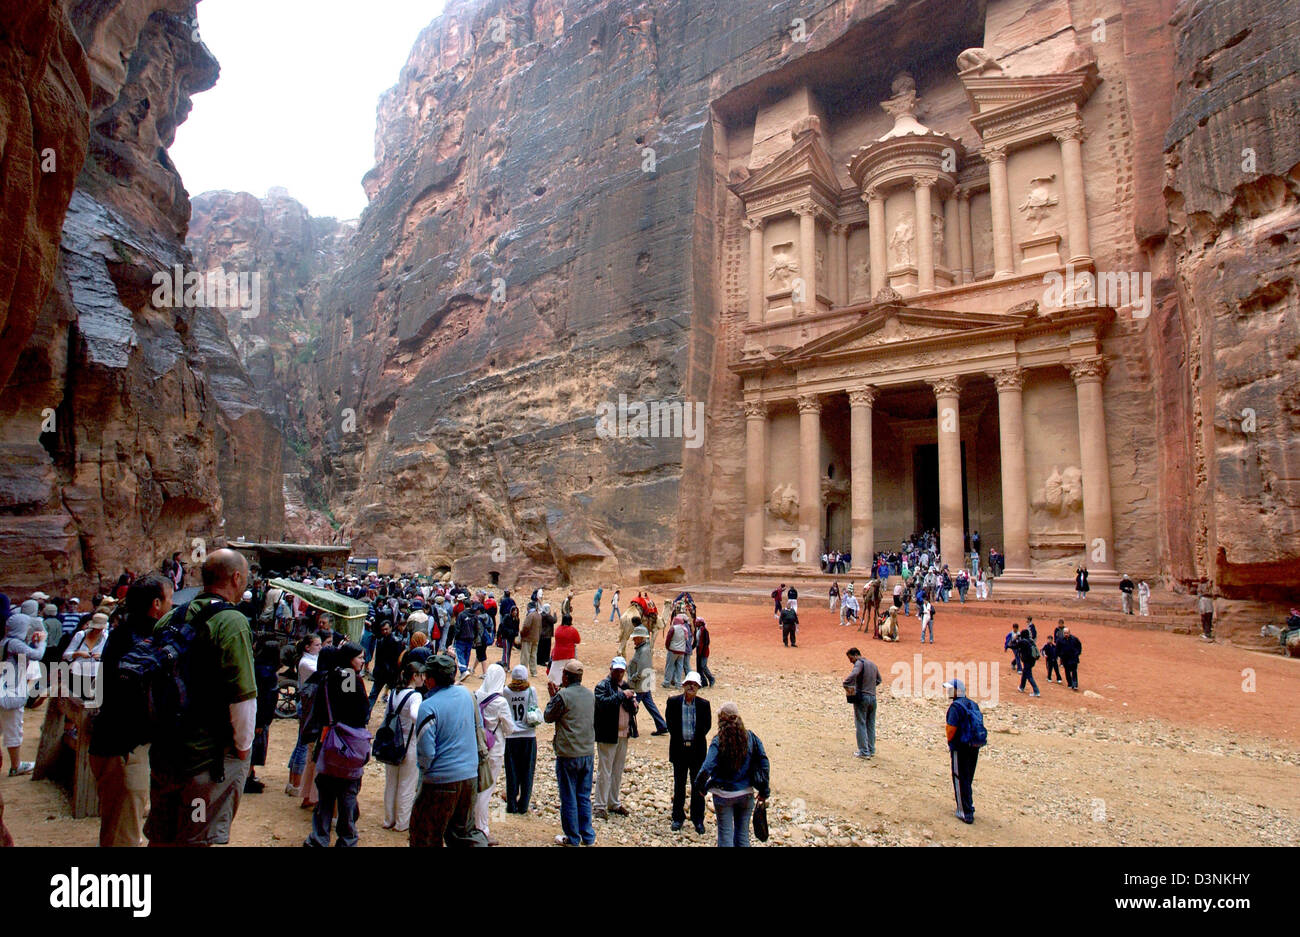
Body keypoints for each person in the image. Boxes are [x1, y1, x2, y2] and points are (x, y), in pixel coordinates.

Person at [144, 549, 256, 846]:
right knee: (197, 836)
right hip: (206, 762)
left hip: (166, 754)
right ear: (236, 578)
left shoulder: (169, 618)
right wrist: (243, 751)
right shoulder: (231, 621)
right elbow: (242, 697)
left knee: (164, 837)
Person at [88, 574, 171, 845]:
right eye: (169, 599)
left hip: (119, 744)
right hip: (125, 747)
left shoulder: (126, 633)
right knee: (121, 834)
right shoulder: (142, 641)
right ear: (156, 604)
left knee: (122, 825)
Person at [411, 654, 487, 847]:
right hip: (469, 777)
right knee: (463, 834)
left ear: (432, 680)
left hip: (440, 781)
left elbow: (426, 753)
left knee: (426, 835)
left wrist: (425, 772)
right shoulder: (466, 695)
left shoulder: (428, 707)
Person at [304, 641, 369, 846]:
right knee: (347, 793)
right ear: (350, 658)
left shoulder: (330, 674)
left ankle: (320, 838)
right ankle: (346, 838)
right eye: (359, 657)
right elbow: (352, 711)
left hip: (328, 741)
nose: (363, 660)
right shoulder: (348, 677)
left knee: (326, 793)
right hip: (345, 743)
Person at [697, 702, 769, 848]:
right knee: (743, 837)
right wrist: (764, 791)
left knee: (725, 836)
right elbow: (764, 762)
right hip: (746, 793)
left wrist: (700, 787)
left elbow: (707, 767)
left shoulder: (718, 740)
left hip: (723, 795)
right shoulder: (751, 737)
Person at [544, 659, 596, 846]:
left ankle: (572, 838)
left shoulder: (563, 695)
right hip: (587, 752)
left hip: (568, 753)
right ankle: (588, 836)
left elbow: (548, 716)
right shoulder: (590, 695)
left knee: (568, 797)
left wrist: (553, 697)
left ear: (566, 676)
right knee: (583, 796)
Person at [382, 661, 424, 834]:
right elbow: (415, 714)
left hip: (392, 742)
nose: (424, 679)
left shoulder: (393, 693)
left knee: (391, 783)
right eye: (422, 675)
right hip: (409, 744)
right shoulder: (415, 696)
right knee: (407, 785)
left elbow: (386, 716)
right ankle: (402, 822)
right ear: (414, 677)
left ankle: (388, 819)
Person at [474, 662, 514, 845]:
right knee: (486, 790)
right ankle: (481, 828)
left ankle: (469, 823)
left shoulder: (476, 695)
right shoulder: (500, 702)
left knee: (474, 787)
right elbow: (510, 728)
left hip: (477, 747)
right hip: (495, 749)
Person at [666, 672, 711, 833]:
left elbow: (706, 726)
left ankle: (697, 819)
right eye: (689, 683)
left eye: (695, 684)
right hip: (679, 750)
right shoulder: (673, 702)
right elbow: (670, 724)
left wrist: (693, 741)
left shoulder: (704, 705)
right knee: (679, 785)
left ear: (698, 687)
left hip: (697, 751)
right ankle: (677, 817)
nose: (691, 686)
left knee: (697, 785)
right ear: (684, 685)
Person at [593, 656, 637, 820]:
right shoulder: (602, 686)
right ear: (611, 670)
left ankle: (613, 802)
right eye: (616, 670)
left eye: (621, 671)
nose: (619, 673)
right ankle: (600, 805)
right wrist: (622, 696)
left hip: (623, 734)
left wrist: (633, 704)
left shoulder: (624, 686)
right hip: (608, 734)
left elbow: (628, 707)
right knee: (605, 771)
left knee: (617, 770)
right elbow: (603, 703)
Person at [945, 678, 984, 824]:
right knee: (968, 777)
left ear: (956, 691)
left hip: (960, 746)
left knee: (959, 777)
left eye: (950, 689)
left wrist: (950, 743)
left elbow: (951, 729)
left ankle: (964, 811)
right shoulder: (973, 704)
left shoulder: (955, 706)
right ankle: (969, 805)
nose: (948, 691)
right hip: (974, 745)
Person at [286, 633, 321, 798]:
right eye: (318, 645)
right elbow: (321, 672)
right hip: (307, 706)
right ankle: (295, 783)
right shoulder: (306, 662)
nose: (320, 648)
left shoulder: (309, 660)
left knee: (300, 744)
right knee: (303, 745)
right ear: (307, 647)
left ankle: (293, 781)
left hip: (306, 705)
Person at [503, 665, 539, 814]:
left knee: (511, 772)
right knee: (527, 772)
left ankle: (511, 804)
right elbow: (534, 708)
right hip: (528, 735)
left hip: (511, 736)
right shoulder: (531, 691)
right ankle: (523, 805)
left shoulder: (506, 691)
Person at [627, 626, 668, 735]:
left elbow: (642, 670)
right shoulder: (643, 648)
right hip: (645, 683)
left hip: (641, 684)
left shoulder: (643, 651)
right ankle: (662, 726)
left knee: (631, 706)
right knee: (650, 705)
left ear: (640, 638)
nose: (633, 640)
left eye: (635, 638)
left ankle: (631, 729)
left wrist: (632, 678)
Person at [843, 648, 882, 758]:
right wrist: (870, 687)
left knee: (860, 723)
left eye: (851, 658)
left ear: (856, 655)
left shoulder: (860, 663)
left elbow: (854, 674)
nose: (851, 661)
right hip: (873, 698)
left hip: (862, 698)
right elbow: (879, 680)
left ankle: (864, 752)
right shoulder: (873, 664)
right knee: (870, 724)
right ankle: (871, 749)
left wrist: (846, 683)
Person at [662, 614, 690, 688]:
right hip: (682, 652)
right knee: (679, 667)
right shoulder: (685, 629)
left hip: (673, 650)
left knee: (669, 666)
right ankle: (678, 683)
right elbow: (687, 640)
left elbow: (668, 639)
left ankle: (666, 682)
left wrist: (668, 647)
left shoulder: (673, 628)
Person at [1014, 628, 1041, 696]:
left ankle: (1036, 691)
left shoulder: (1022, 641)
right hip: (1032, 661)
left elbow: (1013, 646)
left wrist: (1015, 639)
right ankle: (1021, 687)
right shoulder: (1031, 641)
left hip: (1027, 661)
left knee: (1029, 675)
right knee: (1025, 672)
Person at [694, 618, 715, 687]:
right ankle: (703, 682)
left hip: (704, 651)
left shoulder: (704, 630)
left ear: (700, 623)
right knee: (699, 667)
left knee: (703, 666)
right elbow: (696, 641)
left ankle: (711, 678)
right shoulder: (697, 630)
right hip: (698, 650)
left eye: (697, 622)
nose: (695, 623)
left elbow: (707, 642)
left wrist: (702, 650)